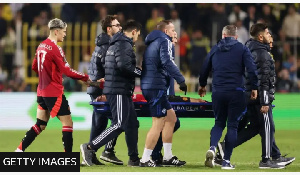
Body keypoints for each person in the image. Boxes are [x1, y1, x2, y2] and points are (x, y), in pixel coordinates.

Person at [216, 24, 295, 169]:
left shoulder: (249, 49)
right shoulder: (262, 54)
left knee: (257, 127)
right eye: (267, 33)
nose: (269, 35)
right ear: (260, 37)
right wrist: (265, 101)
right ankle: (266, 160)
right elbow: (263, 80)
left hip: (247, 94)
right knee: (267, 126)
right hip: (258, 97)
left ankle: (274, 156)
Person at [15, 18, 91, 152]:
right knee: (67, 123)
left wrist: (47, 74)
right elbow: (67, 71)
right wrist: (85, 77)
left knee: (40, 124)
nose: (65, 34)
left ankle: (19, 150)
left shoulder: (41, 46)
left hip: (41, 91)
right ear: (56, 31)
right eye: (63, 31)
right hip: (53, 92)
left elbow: (34, 67)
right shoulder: (56, 49)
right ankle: (67, 159)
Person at [80, 20, 142, 167]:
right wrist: (140, 72)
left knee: (132, 123)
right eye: (138, 34)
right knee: (119, 123)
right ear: (133, 32)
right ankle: (90, 147)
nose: (138, 38)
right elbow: (123, 66)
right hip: (118, 90)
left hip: (121, 89)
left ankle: (134, 159)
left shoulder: (115, 44)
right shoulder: (123, 44)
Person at [199, 25, 258, 169]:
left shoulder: (215, 48)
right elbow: (252, 69)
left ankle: (212, 148)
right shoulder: (242, 49)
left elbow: (204, 67)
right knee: (232, 125)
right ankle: (226, 162)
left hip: (218, 91)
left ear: (223, 35)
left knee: (219, 122)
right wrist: (255, 87)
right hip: (236, 91)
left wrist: (202, 85)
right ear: (236, 37)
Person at [140, 20, 187, 167]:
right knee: (158, 123)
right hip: (156, 87)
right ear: (166, 31)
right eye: (173, 30)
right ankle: (145, 159)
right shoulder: (164, 41)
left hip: (151, 85)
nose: (175, 33)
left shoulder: (152, 42)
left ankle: (167, 156)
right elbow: (167, 62)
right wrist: (180, 79)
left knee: (171, 118)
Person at [85, 15, 123, 166]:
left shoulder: (102, 44)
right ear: (109, 29)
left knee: (100, 123)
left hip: (97, 87)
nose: (120, 28)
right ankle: (103, 151)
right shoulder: (108, 46)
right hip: (102, 88)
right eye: (117, 25)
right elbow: (108, 69)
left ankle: (91, 154)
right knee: (119, 120)